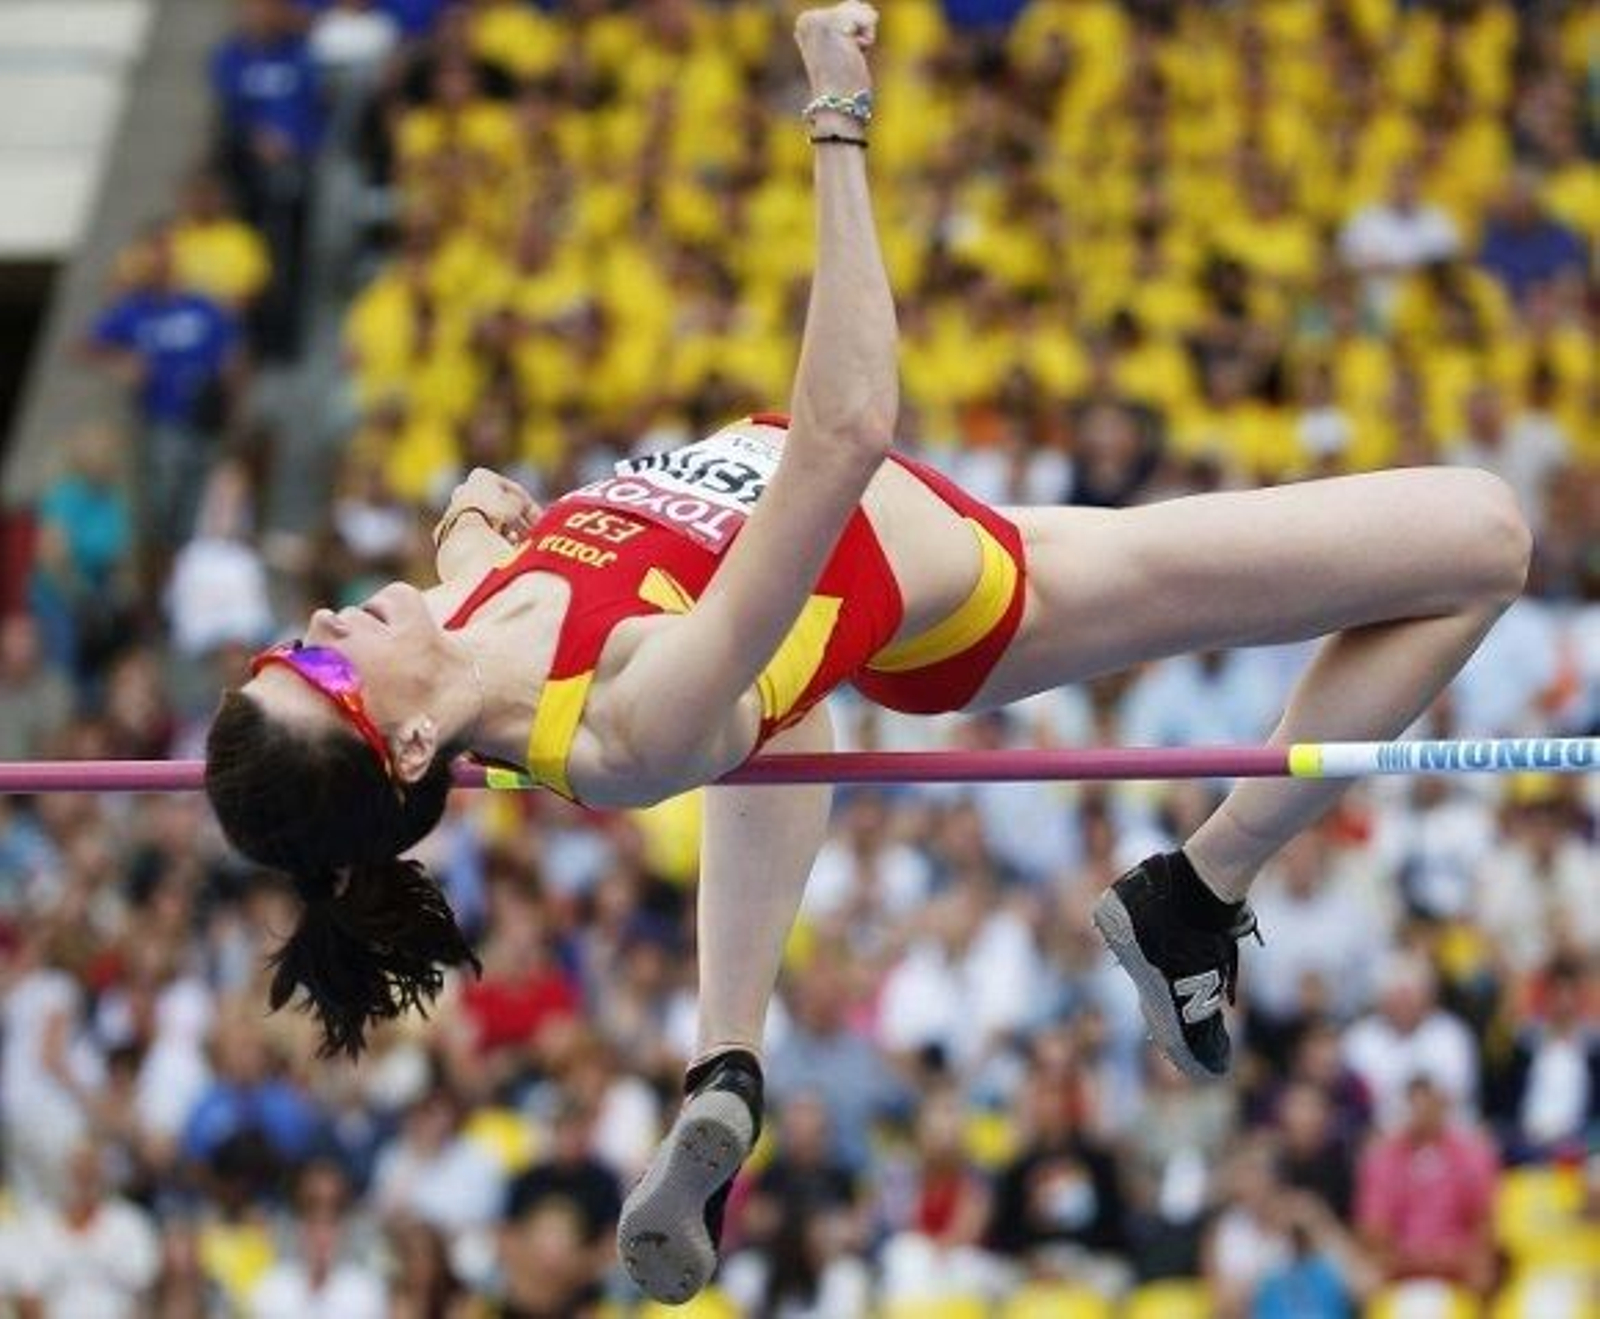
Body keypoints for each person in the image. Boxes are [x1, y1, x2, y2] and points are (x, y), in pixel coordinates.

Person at [202, 4, 1531, 1304]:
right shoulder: (620, 722)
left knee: (779, 723)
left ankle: (727, 1067)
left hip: (885, 573)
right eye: (319, 675)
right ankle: (1207, 881)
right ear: (417, 745)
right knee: (1482, 537)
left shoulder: (473, 604)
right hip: (984, 593)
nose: (319, 628)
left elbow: (476, 525)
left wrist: (482, 509)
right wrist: (836, 119)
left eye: (288, 644)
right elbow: (843, 436)